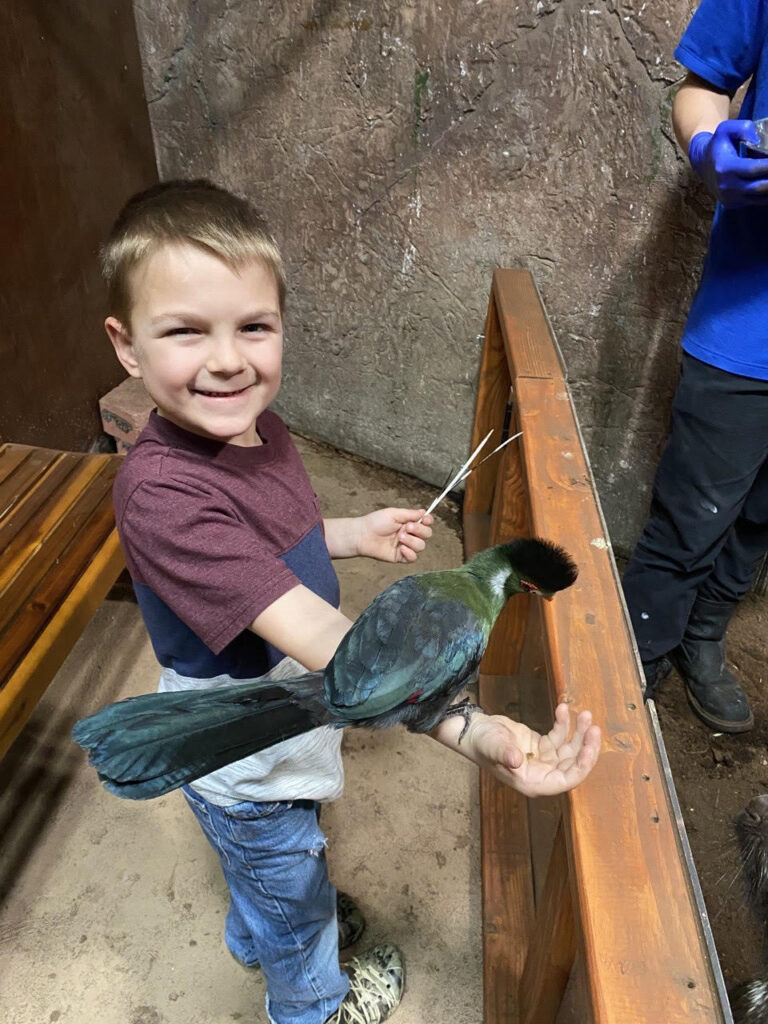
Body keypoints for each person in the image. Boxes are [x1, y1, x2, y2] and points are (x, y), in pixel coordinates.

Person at [100, 179, 601, 1024]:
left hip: (285, 726)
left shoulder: (256, 426)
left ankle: (258, 927)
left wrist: (350, 532)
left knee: (273, 874)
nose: (228, 360)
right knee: (290, 885)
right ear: (127, 345)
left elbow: (272, 535)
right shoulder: (164, 496)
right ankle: (309, 999)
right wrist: (469, 727)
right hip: (245, 750)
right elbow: (338, 648)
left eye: (253, 327)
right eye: (186, 331)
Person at [622, 0, 768, 733]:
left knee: (759, 521)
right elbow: (700, 84)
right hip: (749, 320)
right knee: (692, 515)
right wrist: (713, 149)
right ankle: (638, 654)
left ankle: (702, 638)